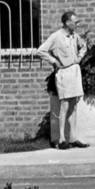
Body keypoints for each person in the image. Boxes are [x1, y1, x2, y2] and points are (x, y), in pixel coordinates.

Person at [37, 9, 90, 149]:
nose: (77, 25)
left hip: (74, 71)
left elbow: (83, 46)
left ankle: (73, 138)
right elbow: (41, 51)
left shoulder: (75, 36)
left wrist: (79, 57)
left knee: (73, 105)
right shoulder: (56, 37)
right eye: (75, 22)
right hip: (64, 72)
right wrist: (54, 61)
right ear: (67, 23)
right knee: (65, 105)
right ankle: (61, 139)